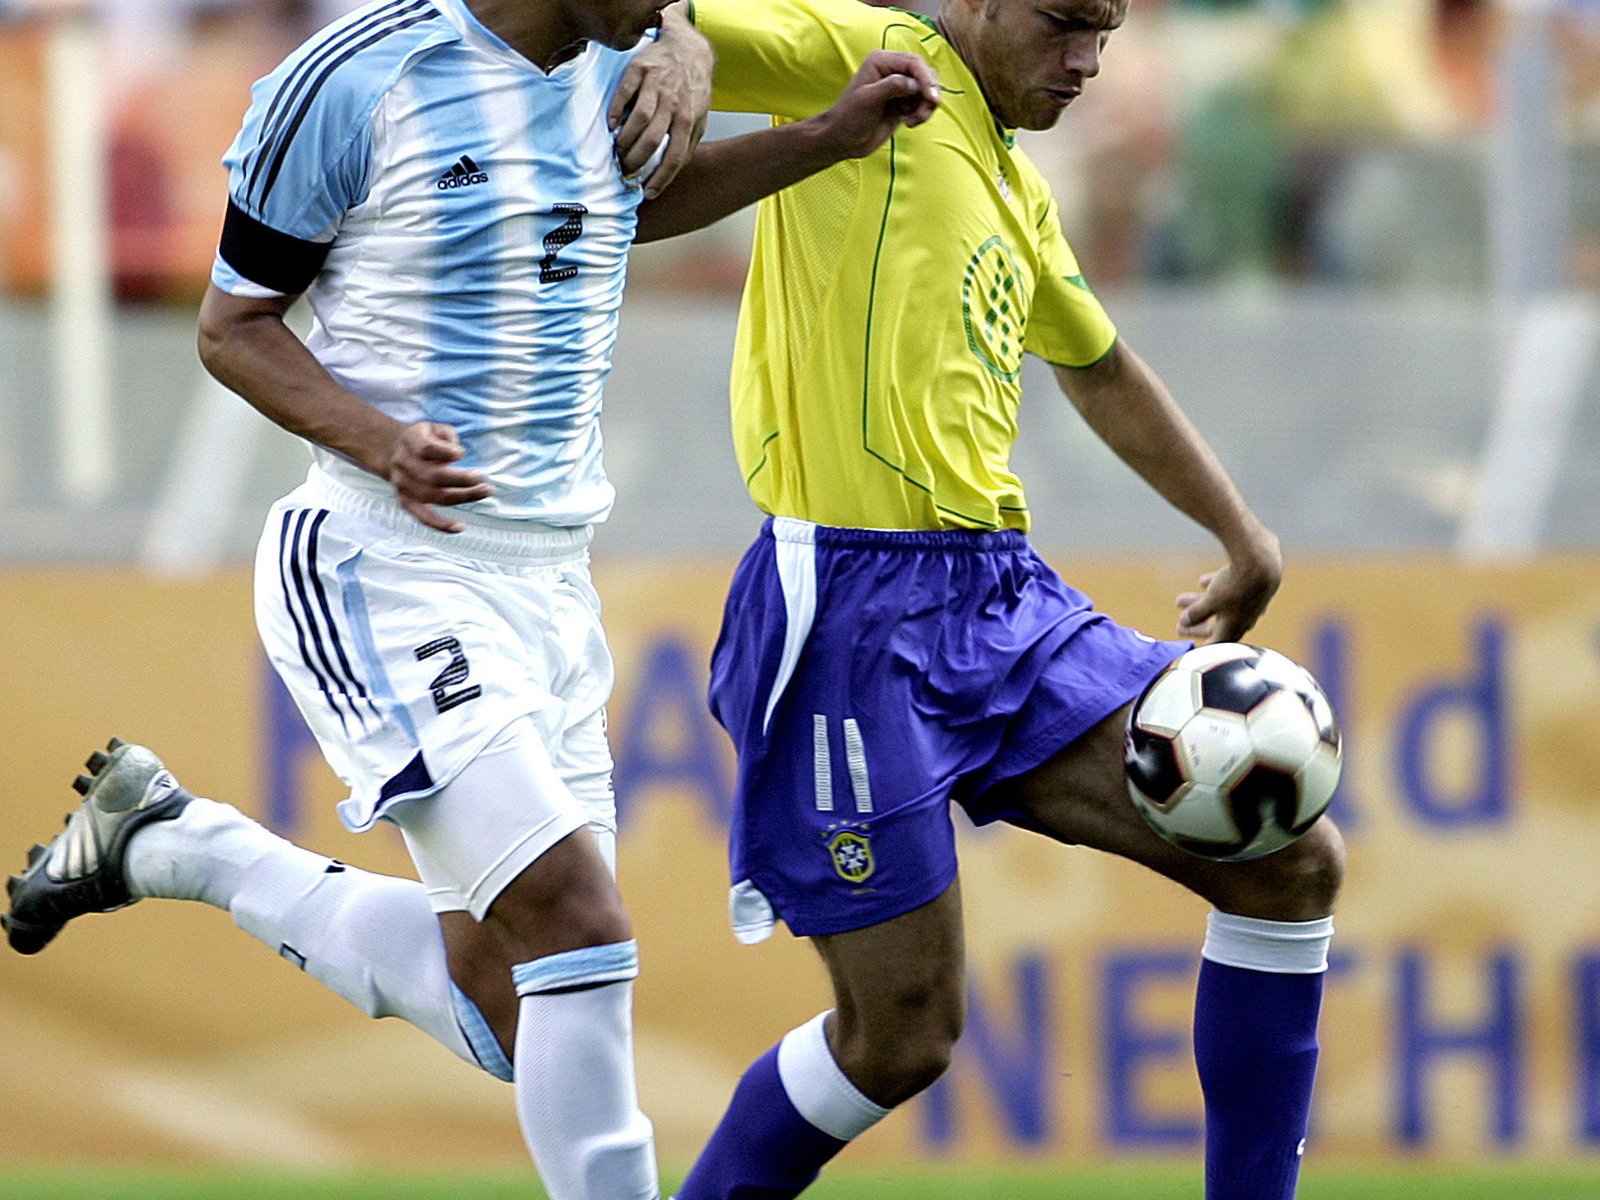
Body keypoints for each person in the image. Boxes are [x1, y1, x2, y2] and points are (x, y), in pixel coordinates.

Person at [0, 0, 939, 1192]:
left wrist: (823, 137)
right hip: (384, 562)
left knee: (510, 1004)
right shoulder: (357, 79)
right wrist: (379, 439)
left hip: (551, 582)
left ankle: (177, 845)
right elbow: (234, 325)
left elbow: (620, 208)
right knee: (578, 924)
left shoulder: (622, 58)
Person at [641, 0, 1347, 1197]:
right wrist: (675, 28)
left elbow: (1098, 365)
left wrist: (1241, 533)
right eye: (1063, 24)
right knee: (900, 1038)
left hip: (995, 598)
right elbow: (648, 21)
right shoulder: (862, 49)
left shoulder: (1016, 185)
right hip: (846, 614)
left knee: (1290, 862)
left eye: (1104, 34)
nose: (1085, 62)